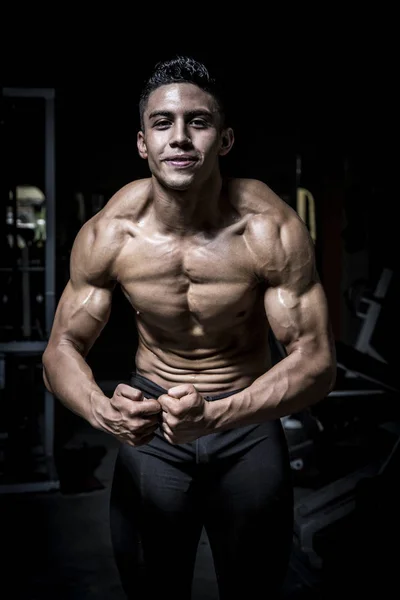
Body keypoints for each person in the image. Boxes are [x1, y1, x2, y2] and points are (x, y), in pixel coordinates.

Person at [42, 56, 336, 599]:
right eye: (162, 123)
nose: (179, 138)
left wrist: (220, 414)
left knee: (254, 586)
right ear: (141, 143)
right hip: (152, 426)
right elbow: (60, 347)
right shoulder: (111, 233)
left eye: (197, 122)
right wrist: (104, 412)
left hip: (245, 418)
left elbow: (317, 362)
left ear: (224, 140)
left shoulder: (268, 228)